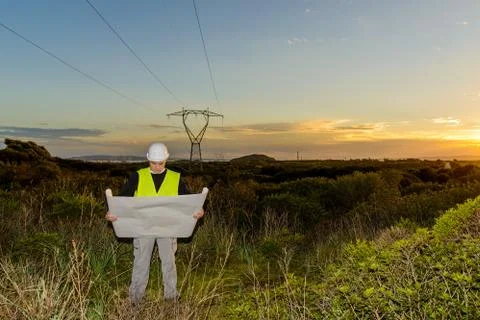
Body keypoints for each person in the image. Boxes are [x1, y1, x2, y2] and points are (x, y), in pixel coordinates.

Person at [105, 142, 204, 304]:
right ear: (148, 160)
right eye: (154, 163)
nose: (157, 166)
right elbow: (123, 199)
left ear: (166, 160)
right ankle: (136, 299)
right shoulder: (137, 176)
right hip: (143, 228)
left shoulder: (175, 177)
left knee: (169, 262)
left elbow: (187, 202)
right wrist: (113, 213)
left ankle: (171, 297)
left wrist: (198, 211)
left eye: (161, 163)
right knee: (141, 263)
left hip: (168, 227)